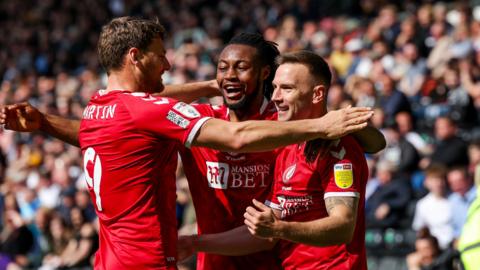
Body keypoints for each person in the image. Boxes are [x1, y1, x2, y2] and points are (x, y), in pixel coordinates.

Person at [0, 17, 374, 270]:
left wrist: (337, 125)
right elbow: (134, 117)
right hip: (207, 261)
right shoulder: (199, 123)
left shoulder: (285, 126)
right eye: (222, 68)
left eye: (240, 68)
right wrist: (213, 86)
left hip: (273, 261)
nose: (166, 64)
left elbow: (360, 140)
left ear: (264, 75)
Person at [178, 51, 371, 270]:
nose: (276, 97)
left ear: (317, 94)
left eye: (287, 88)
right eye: (275, 87)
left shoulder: (338, 147)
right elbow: (266, 235)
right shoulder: (287, 149)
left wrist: (280, 228)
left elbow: (343, 227)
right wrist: (193, 243)